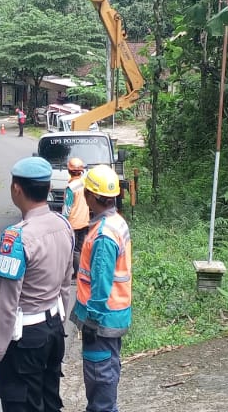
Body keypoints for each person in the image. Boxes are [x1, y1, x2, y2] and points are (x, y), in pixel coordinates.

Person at [0, 156, 74, 412]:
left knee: (22, 404)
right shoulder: (64, 225)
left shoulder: (16, 237)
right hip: (53, 330)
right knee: (49, 400)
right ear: (48, 188)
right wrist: (56, 325)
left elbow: (6, 305)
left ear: (16, 189)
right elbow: (65, 285)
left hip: (25, 340)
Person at [73, 165, 133, 412]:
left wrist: (92, 322)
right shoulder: (115, 222)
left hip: (102, 321)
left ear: (90, 197)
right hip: (114, 316)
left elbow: (101, 283)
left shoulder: (104, 235)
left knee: (101, 383)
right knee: (107, 373)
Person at [61, 157, 90, 279]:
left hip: (73, 222)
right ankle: (83, 272)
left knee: (74, 251)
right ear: (81, 172)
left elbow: (67, 208)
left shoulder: (70, 188)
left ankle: (77, 274)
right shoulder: (85, 184)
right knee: (80, 248)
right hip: (85, 221)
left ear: (69, 171)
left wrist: (63, 221)